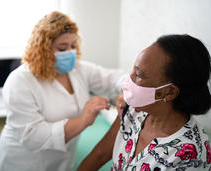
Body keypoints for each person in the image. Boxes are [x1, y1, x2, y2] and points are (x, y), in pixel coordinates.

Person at [0, 11, 125, 171]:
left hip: (63, 160)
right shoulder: (21, 81)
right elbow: (32, 137)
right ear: (42, 49)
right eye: (62, 47)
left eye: (73, 45)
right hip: (24, 162)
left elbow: (113, 78)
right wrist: (83, 120)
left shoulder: (78, 70)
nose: (70, 52)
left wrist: (127, 91)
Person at [78, 34, 211, 171]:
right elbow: (98, 156)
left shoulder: (190, 154)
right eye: (133, 71)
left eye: (138, 75)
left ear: (169, 92)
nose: (128, 80)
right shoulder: (133, 110)